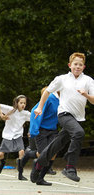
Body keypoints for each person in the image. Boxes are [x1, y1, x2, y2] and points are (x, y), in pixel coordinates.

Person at [31, 52, 94, 183]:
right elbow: (47, 91)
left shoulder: (88, 80)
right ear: (70, 65)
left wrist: (86, 95)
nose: (78, 66)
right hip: (64, 114)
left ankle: (38, 165)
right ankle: (70, 167)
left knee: (56, 145)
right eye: (75, 64)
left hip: (79, 118)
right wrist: (40, 107)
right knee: (79, 133)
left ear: (84, 67)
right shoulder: (62, 79)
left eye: (80, 64)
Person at [26, 87, 59, 185]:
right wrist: (33, 129)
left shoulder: (65, 100)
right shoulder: (49, 98)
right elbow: (34, 112)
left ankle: (40, 178)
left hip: (53, 130)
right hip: (42, 130)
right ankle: (30, 154)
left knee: (53, 153)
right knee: (43, 154)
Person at [0, 95, 30, 180]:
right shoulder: (10, 110)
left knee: (21, 152)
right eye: (21, 102)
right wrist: (2, 115)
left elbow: (36, 118)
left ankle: (20, 174)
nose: (23, 104)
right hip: (7, 135)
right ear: (17, 103)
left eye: (24, 103)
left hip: (18, 136)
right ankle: (2, 163)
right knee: (0, 154)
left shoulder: (26, 113)